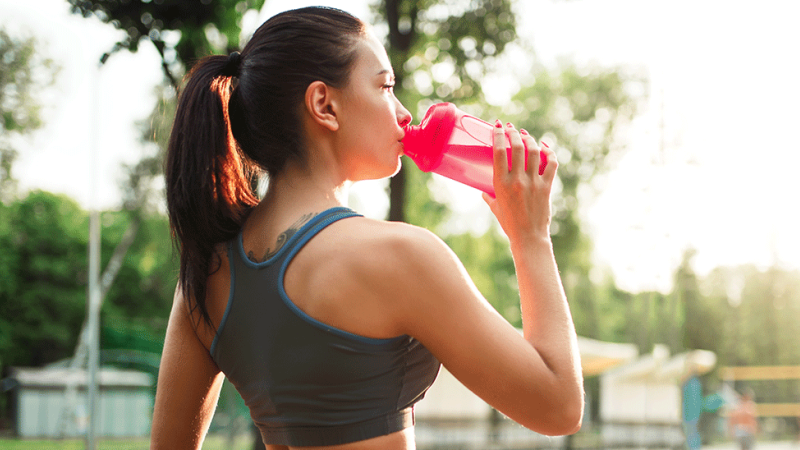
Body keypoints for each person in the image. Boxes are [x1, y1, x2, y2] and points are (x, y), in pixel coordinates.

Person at [150, 6, 584, 450]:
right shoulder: (401, 256)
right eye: (385, 86)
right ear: (324, 105)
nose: (402, 113)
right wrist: (530, 236)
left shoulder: (205, 275)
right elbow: (558, 406)